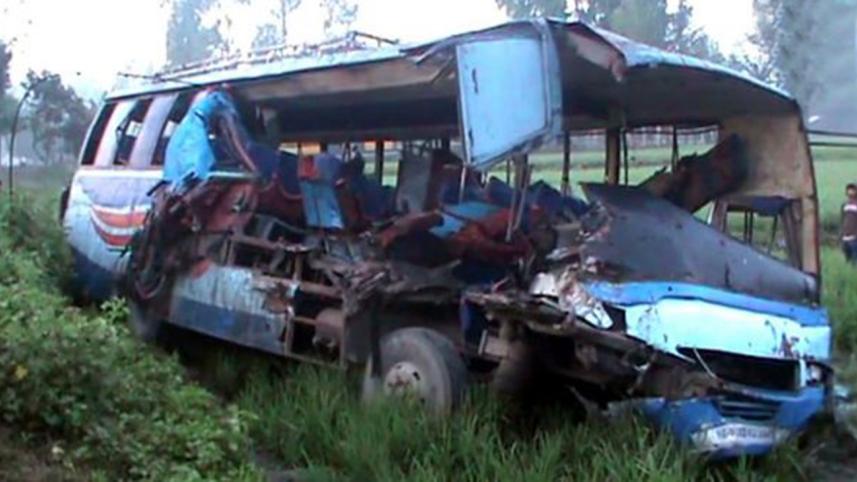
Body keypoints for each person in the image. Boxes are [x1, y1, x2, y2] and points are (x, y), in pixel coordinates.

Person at [842, 183, 857, 264]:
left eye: (853, 190)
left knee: (855, 260)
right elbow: (842, 220)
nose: (850, 192)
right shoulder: (845, 205)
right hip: (845, 236)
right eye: (849, 190)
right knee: (847, 260)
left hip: (855, 237)